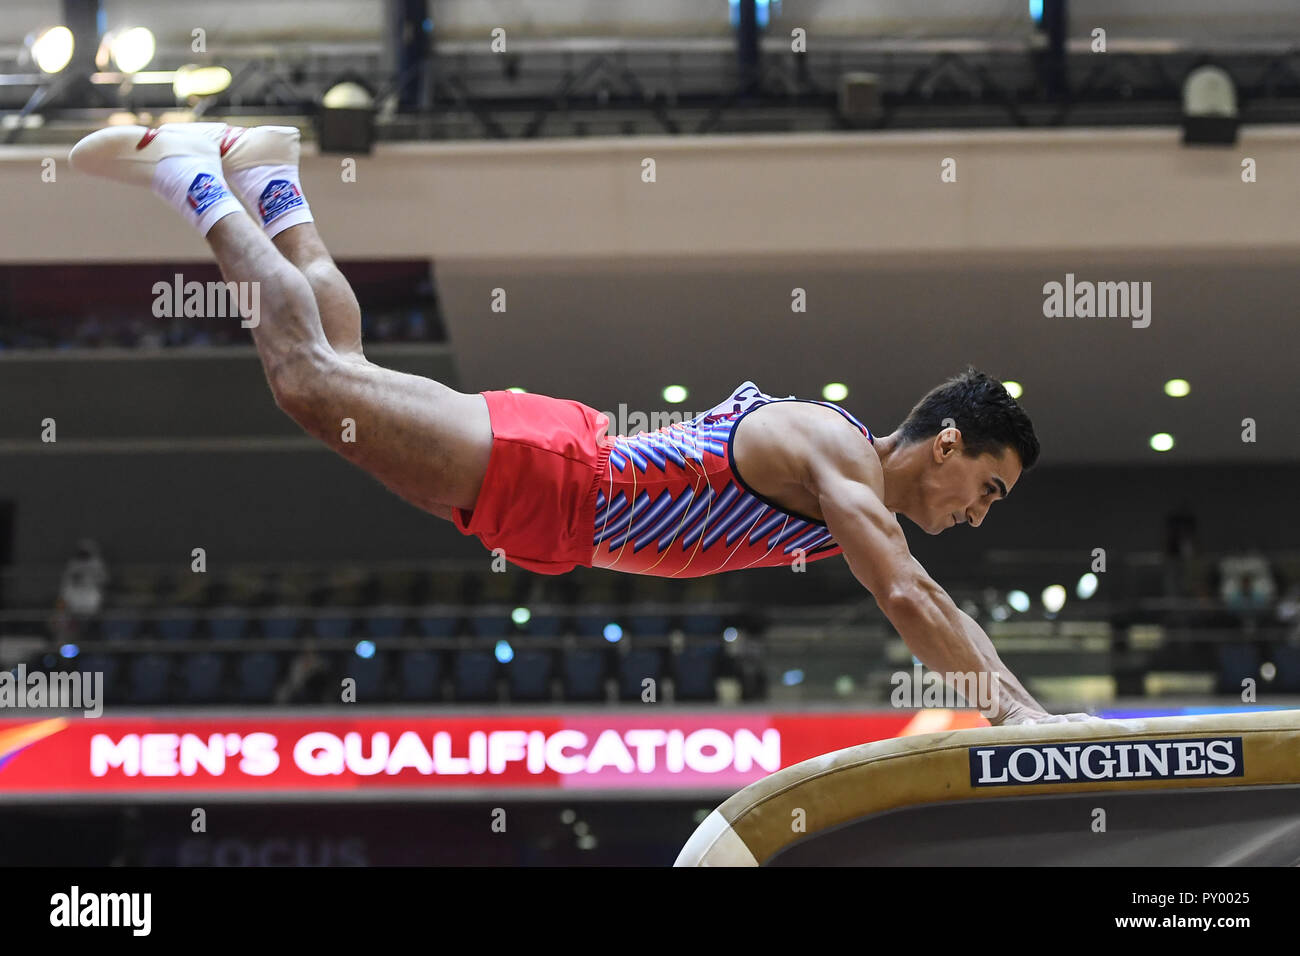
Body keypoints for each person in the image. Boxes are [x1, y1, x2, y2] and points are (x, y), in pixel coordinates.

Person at [68, 123, 1095, 727]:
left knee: (343, 376)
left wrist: (1030, 708)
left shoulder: (847, 486)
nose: (978, 512)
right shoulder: (838, 452)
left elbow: (937, 604)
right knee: (305, 383)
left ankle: (276, 182)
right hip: (558, 474)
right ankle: (197, 175)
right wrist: (1009, 711)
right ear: (949, 443)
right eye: (989, 487)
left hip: (548, 500)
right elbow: (911, 592)